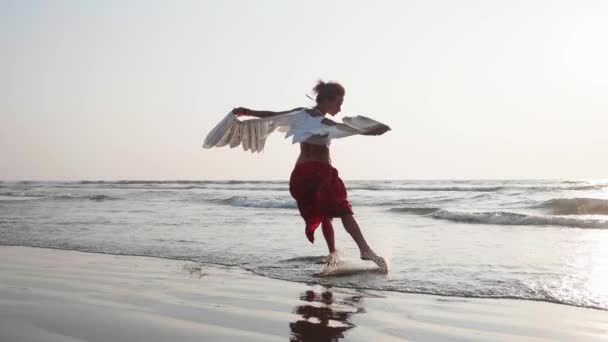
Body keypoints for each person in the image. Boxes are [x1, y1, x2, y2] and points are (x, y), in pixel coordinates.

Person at [232, 81, 389, 271]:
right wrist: (367, 131)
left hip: (301, 174)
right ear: (327, 100)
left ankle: (333, 253)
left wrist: (247, 111)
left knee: (326, 214)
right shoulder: (321, 120)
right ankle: (365, 250)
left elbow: (274, 115)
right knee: (344, 210)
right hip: (319, 172)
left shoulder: (302, 115)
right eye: (338, 102)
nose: (340, 107)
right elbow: (337, 126)